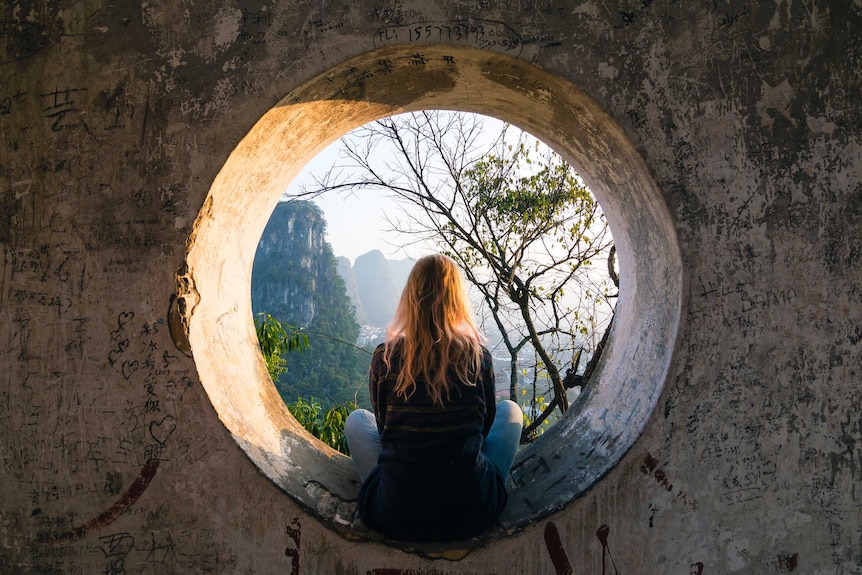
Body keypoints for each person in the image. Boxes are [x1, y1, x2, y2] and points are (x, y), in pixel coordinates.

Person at [345, 254, 524, 542]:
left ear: (410, 298)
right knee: (511, 411)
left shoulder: (385, 357)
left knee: (356, 421)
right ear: (457, 299)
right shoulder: (478, 358)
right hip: (473, 510)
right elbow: (486, 426)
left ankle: (397, 486)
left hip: (395, 513)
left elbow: (384, 428)